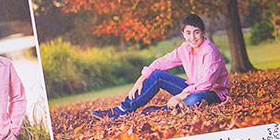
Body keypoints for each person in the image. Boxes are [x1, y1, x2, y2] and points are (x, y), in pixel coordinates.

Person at [92, 14, 228, 118]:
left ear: (203, 33)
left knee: (195, 99)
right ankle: (121, 111)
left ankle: (162, 111)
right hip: (191, 86)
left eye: (196, 32)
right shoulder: (185, 49)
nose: (192, 37)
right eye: (188, 33)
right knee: (157, 75)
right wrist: (141, 79)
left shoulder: (209, 52)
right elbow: (160, 63)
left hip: (213, 92)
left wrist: (180, 96)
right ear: (183, 34)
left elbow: (206, 84)